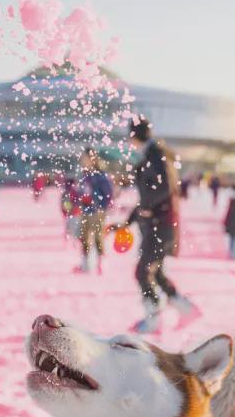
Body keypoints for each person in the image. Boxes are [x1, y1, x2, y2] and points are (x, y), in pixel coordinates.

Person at [115, 116, 200, 333]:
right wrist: (128, 222)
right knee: (156, 272)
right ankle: (186, 310)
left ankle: (154, 319)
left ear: (134, 136)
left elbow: (167, 188)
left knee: (143, 272)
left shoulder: (158, 155)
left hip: (160, 226)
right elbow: (147, 197)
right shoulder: (152, 154)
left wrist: (147, 208)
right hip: (155, 224)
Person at [75, 147, 113, 274]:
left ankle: (100, 265)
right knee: (84, 237)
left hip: (97, 211)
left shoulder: (100, 176)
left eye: (87, 158)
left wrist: (101, 207)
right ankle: (85, 264)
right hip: (86, 210)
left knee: (98, 237)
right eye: (83, 158)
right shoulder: (84, 176)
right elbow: (81, 192)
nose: (84, 161)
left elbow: (108, 193)